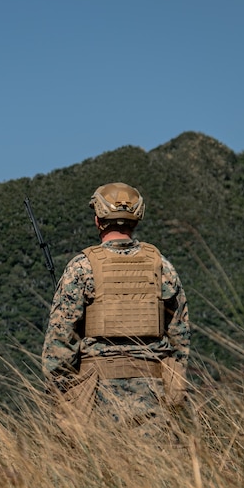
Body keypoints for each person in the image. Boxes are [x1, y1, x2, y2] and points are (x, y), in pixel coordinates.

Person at [42, 182, 190, 429]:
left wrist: (60, 393)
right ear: (136, 221)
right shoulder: (163, 267)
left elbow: (60, 340)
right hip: (154, 394)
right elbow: (180, 337)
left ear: (98, 220)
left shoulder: (81, 268)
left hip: (95, 397)